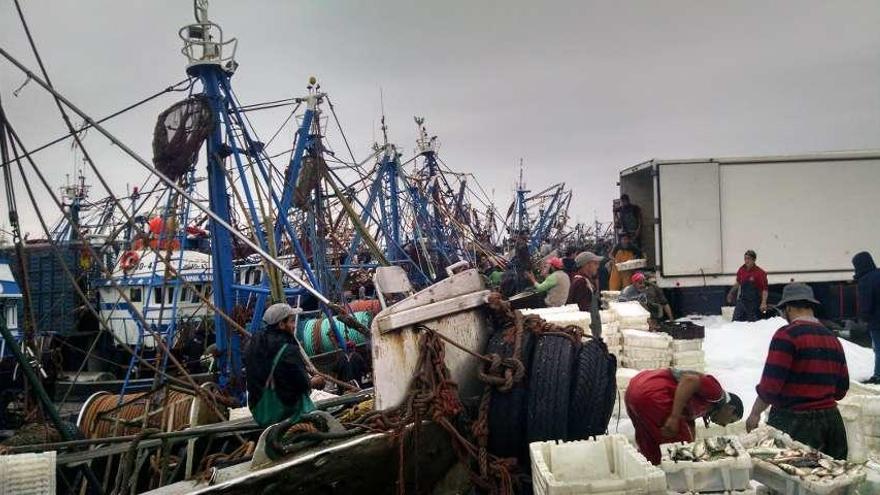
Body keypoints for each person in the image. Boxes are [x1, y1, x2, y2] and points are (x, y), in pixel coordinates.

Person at [745, 283, 849, 459]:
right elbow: (841, 390)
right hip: (832, 424)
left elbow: (770, 386)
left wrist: (755, 414)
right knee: (830, 479)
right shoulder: (832, 339)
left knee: (794, 480)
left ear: (789, 308)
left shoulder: (787, 335)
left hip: (796, 424)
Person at [625, 368, 743, 465]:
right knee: (681, 455)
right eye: (730, 420)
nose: (724, 425)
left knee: (651, 453)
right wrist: (674, 417)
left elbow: (689, 420)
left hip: (635, 388)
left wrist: (691, 442)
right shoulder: (717, 393)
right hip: (654, 393)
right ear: (730, 409)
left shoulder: (708, 405)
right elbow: (689, 380)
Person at [245, 303, 324, 427]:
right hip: (282, 413)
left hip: (259, 412)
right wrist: (315, 381)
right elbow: (303, 385)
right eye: (292, 321)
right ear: (281, 324)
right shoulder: (288, 350)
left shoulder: (251, 345)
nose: (294, 325)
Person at [853, 252, 880, 384]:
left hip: (877, 321)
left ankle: (878, 375)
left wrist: (864, 317)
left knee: (879, 348)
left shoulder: (866, 280)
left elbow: (866, 302)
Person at [727, 250, 768, 322]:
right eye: (745, 258)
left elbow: (764, 289)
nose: (746, 261)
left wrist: (763, 302)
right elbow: (738, 283)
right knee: (735, 322)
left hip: (754, 302)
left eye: (749, 258)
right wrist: (731, 293)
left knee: (752, 323)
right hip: (742, 301)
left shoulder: (760, 273)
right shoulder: (741, 270)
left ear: (754, 260)